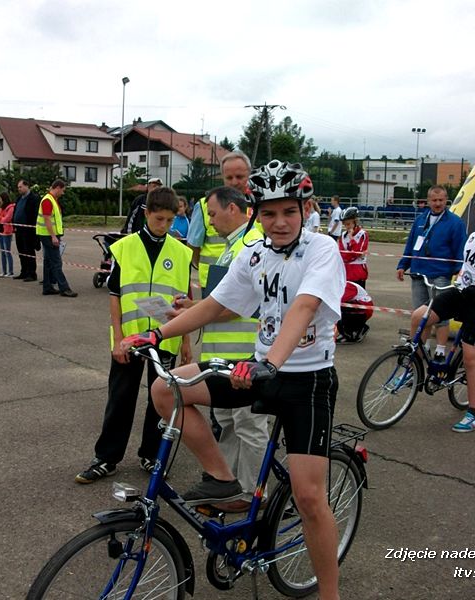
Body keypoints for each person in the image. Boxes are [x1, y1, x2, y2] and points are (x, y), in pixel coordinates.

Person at [122, 161, 346, 599]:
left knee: (309, 499)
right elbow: (216, 304)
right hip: (259, 368)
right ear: (256, 213)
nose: (279, 222)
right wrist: (157, 333)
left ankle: (330, 596)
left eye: (289, 212)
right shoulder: (255, 253)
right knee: (166, 388)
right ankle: (224, 480)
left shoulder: (322, 250)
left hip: (306, 380)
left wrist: (272, 363)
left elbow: (303, 308)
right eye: (269, 213)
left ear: (304, 210)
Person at [76, 186, 192, 483]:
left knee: (160, 399)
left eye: (169, 220)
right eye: (158, 219)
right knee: (120, 398)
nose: (164, 226)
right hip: (130, 339)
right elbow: (114, 295)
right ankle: (106, 457)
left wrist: (187, 343)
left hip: (165, 339)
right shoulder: (125, 247)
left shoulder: (181, 252)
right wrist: (117, 339)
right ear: (146, 214)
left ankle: (151, 455)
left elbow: (186, 300)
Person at [175, 185, 267, 512]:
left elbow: (244, 303)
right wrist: (194, 306)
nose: (210, 222)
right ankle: (228, 487)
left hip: (243, 353)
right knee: (228, 422)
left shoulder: (252, 243)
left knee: (249, 425)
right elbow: (219, 299)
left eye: (213, 214)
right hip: (222, 351)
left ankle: (254, 494)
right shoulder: (232, 245)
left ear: (232, 209)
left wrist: (196, 312)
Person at [409, 191, 475, 433]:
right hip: (459, 293)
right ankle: (414, 365)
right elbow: (466, 267)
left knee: (470, 359)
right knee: (418, 317)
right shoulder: (472, 238)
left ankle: (474, 413)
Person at [396, 185, 467, 361]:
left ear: (446, 200)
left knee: (440, 314)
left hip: (440, 275)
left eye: (441, 200)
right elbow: (411, 245)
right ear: (428, 201)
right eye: (434, 200)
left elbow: (460, 249)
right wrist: (403, 265)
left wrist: (459, 271)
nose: (437, 204)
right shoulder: (420, 220)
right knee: (421, 314)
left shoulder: (455, 223)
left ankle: (441, 349)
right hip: (419, 273)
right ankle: (422, 347)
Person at [188, 152, 251, 297]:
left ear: (249, 175)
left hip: (249, 282)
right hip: (213, 283)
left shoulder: (260, 205)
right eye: (229, 177)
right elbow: (193, 247)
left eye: (240, 177)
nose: (234, 182)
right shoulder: (204, 206)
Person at [36, 179, 77, 297]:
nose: (63, 193)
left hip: (47, 234)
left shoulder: (51, 200)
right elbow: (47, 219)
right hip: (49, 235)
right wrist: (54, 236)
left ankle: (47, 287)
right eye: (63, 190)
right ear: (57, 188)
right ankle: (64, 288)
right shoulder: (48, 200)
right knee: (56, 262)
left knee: (48, 261)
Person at [12, 179, 41, 282]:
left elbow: (35, 214)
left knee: (29, 251)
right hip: (18, 229)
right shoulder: (19, 198)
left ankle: (32, 273)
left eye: (20, 187)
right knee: (21, 251)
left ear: (26, 186)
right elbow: (16, 210)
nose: (19, 189)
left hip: (28, 230)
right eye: (18, 187)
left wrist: (33, 228)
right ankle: (23, 271)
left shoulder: (34, 198)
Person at [338, 206, 368, 288]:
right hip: (346, 273)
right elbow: (341, 254)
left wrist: (351, 239)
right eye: (345, 224)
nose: (347, 227)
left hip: (358, 273)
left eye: (348, 224)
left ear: (355, 221)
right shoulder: (343, 236)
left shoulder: (362, 234)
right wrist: (350, 256)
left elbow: (358, 252)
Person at [0, 191, 15, 277]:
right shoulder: (1, 208)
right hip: (0, 232)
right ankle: (4, 271)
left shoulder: (11, 207)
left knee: (7, 252)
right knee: (2, 252)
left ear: (3, 199)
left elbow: (7, 218)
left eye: (0, 199)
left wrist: (0, 219)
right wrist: (0, 218)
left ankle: (10, 271)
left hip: (7, 232)